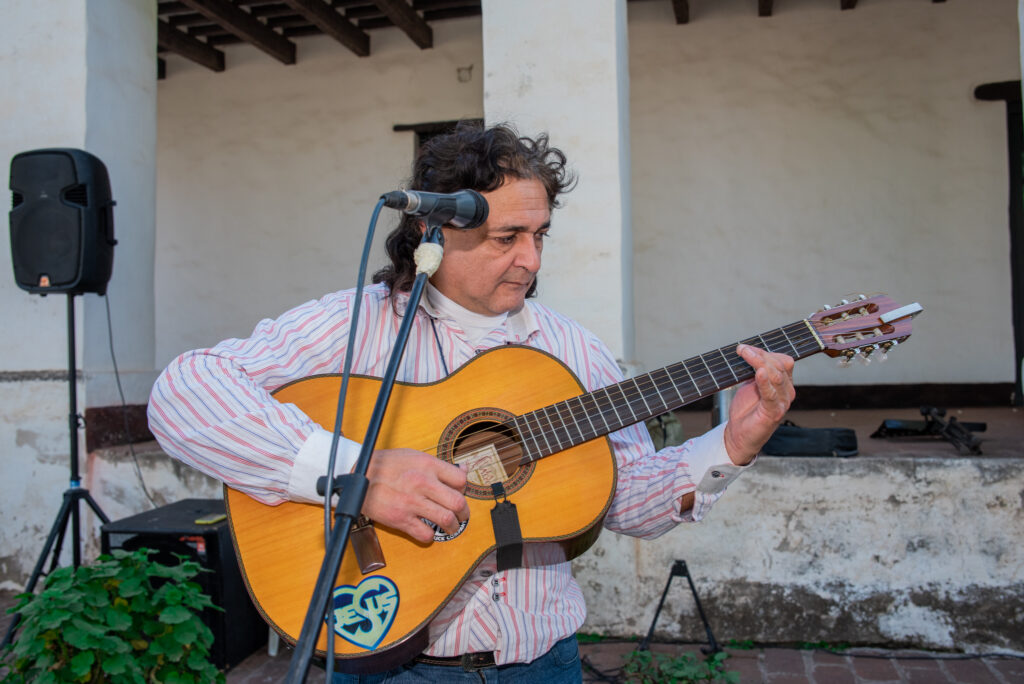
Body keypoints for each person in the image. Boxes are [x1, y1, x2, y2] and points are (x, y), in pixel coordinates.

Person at [147, 123, 795, 683]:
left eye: (540, 235)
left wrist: (733, 444)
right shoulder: (354, 325)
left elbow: (629, 502)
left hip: (544, 664)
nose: (530, 260)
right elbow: (184, 393)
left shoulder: (574, 351)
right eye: (506, 237)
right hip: (393, 665)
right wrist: (354, 473)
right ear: (433, 229)